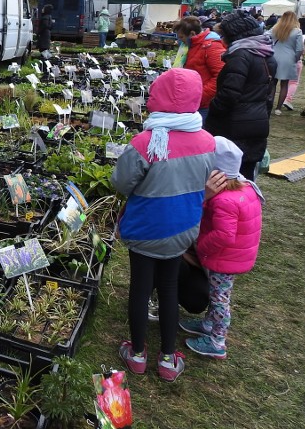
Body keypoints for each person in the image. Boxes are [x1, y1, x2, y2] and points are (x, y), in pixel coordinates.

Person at [112, 68, 216, 382]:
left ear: (157, 97)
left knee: (141, 288)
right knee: (169, 288)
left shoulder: (145, 142)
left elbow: (121, 183)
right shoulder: (208, 141)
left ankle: (138, 354)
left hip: (145, 230)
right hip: (182, 230)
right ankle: (169, 359)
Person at [180, 136, 263, 360]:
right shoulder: (245, 188)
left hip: (224, 259)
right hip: (236, 256)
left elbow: (224, 235)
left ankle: (217, 341)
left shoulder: (223, 200)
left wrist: (202, 249)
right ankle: (208, 325)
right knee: (220, 294)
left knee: (219, 299)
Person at [205, 10, 277, 181]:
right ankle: (245, 205)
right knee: (246, 175)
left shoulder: (241, 55)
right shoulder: (266, 52)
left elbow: (229, 95)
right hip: (257, 121)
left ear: (234, 35)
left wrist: (213, 109)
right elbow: (268, 92)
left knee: (226, 175)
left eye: (224, 35)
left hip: (233, 125)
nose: (223, 40)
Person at [172, 16, 226, 123]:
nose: (180, 40)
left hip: (203, 104)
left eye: (182, 37)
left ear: (192, 34)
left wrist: (199, 96)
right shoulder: (191, 45)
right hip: (191, 100)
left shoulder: (211, 47)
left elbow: (220, 77)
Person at [268, 11, 304, 113]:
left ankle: (269, 106)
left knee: (272, 83)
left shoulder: (275, 28)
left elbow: (265, 36)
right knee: (284, 84)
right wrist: (296, 58)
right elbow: (299, 49)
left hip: (274, 57)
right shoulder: (297, 31)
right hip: (289, 59)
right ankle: (278, 108)